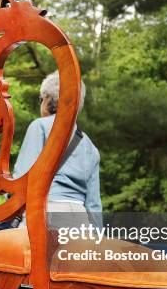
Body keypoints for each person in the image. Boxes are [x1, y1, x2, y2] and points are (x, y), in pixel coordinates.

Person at [14, 70, 102, 229]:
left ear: (47, 100)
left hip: (45, 214)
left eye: (41, 99)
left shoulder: (39, 127)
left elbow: (22, 179)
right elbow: (94, 205)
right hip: (80, 221)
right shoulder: (90, 146)